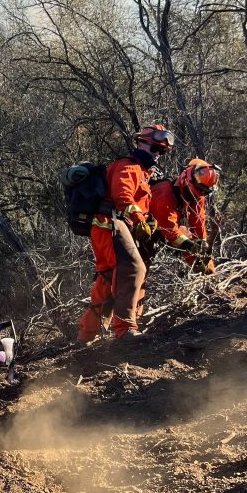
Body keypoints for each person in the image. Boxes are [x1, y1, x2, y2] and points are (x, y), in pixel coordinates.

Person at [78, 124, 174, 343]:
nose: (158, 155)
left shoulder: (143, 172)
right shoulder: (128, 167)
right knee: (133, 268)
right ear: (141, 143)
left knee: (108, 278)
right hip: (108, 223)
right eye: (154, 149)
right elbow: (124, 198)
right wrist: (139, 221)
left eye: (161, 152)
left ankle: (86, 335)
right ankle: (125, 330)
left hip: (108, 226)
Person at [152, 158, 220, 274]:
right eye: (199, 189)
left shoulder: (198, 197)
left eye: (204, 192)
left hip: (165, 228)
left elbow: (198, 226)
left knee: (191, 238)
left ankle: (204, 274)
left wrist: (204, 254)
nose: (200, 194)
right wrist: (190, 245)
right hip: (144, 228)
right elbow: (169, 229)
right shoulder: (165, 193)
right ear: (187, 179)